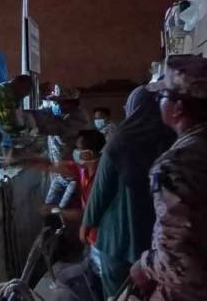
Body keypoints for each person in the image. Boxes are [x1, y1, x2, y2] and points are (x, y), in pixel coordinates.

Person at [130, 54, 207, 300]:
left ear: (178, 109)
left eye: (162, 96)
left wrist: (145, 265)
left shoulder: (177, 165)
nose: (159, 102)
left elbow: (182, 265)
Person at [80, 86, 176, 299]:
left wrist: (87, 223)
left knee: (116, 294)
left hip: (117, 238)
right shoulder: (171, 141)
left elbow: (100, 191)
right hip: (154, 240)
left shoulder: (118, 142)